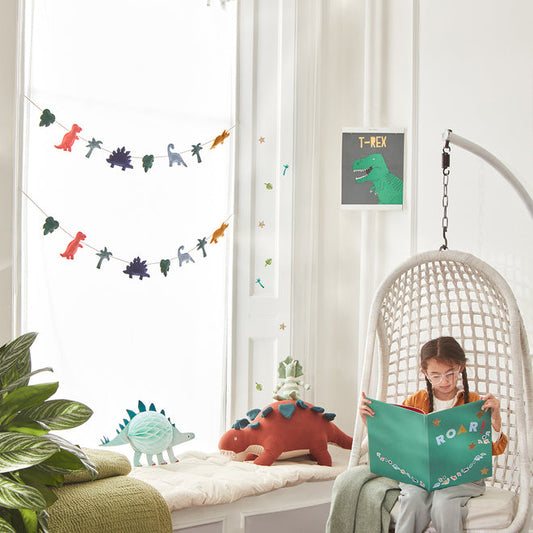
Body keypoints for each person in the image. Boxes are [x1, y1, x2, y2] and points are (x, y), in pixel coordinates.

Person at [359, 336, 507, 533]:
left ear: (461, 367)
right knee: (413, 499)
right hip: (419, 476)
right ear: (425, 373)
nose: (444, 381)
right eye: (435, 375)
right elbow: (394, 441)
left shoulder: (474, 403)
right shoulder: (415, 401)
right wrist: (369, 422)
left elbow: (494, 449)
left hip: (463, 477)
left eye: (450, 373)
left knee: (444, 502)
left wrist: (495, 419)